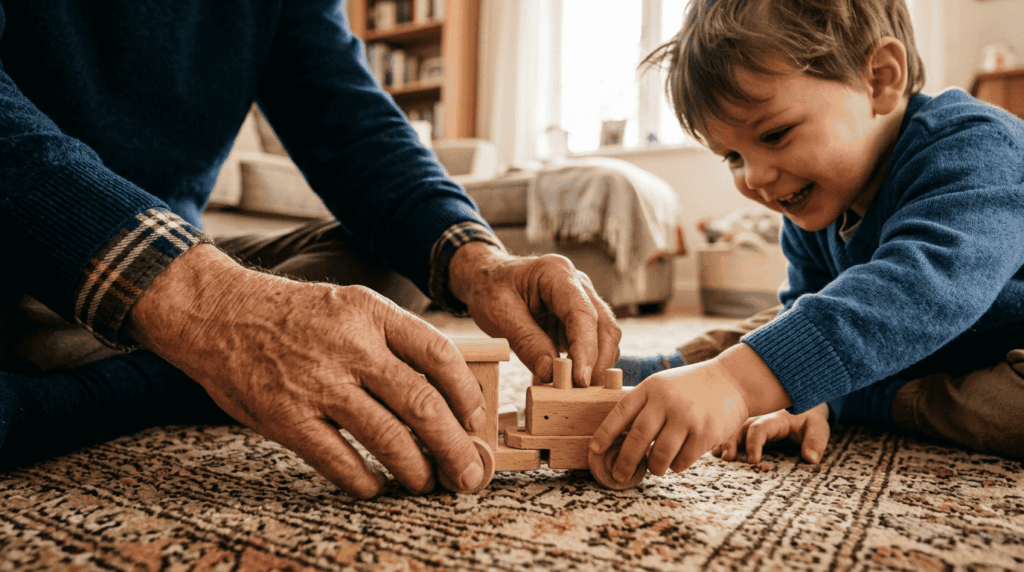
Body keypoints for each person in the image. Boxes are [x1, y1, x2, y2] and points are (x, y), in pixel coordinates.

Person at [0, 1, 621, 499]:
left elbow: (353, 123)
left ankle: (140, 359)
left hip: (177, 248)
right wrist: (210, 306)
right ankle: (144, 379)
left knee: (379, 280)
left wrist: (481, 263)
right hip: (22, 250)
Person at [594, 0, 1024, 484]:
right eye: (733, 157)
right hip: (937, 351)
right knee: (789, 323)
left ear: (879, 79)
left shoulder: (977, 147)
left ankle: (866, 394)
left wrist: (738, 383)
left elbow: (921, 290)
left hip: (1006, 351)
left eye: (775, 135)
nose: (755, 177)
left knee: (1002, 409)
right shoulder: (813, 198)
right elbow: (809, 306)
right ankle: (665, 372)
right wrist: (776, 378)